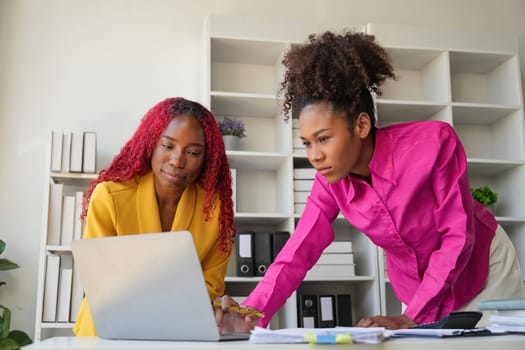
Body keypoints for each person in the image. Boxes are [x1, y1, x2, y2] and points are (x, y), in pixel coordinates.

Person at [215, 30, 525, 332]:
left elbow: (457, 237)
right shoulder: (330, 183)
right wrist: (252, 311)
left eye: (323, 138)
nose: (314, 155)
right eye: (307, 142)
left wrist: (413, 316)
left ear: (361, 125)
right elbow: (298, 250)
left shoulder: (434, 144)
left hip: (483, 268)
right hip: (418, 288)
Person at [73, 97, 236, 336]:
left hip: (175, 331)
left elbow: (211, 285)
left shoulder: (214, 211)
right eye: (168, 146)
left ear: (206, 159)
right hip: (106, 331)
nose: (177, 161)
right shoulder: (109, 196)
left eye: (192, 152)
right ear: (151, 144)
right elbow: (100, 281)